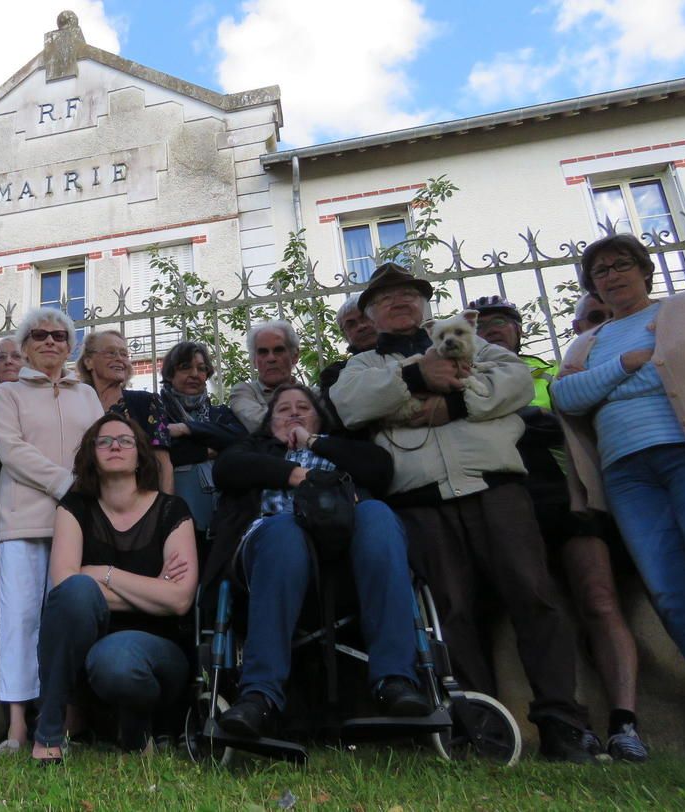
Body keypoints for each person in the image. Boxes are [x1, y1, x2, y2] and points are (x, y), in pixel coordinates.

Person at [330, 262, 600, 762]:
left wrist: (452, 405)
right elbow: (351, 406)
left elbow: (515, 383)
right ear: (369, 314)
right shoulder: (363, 366)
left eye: (409, 294)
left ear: (425, 304)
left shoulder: (478, 345)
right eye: (386, 298)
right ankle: (481, 725)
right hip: (420, 497)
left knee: (534, 597)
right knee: (450, 613)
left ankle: (563, 721)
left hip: (494, 485)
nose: (400, 301)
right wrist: (417, 375)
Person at [468, 293, 646, 761]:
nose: (492, 329)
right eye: (483, 324)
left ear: (519, 330)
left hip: (564, 493)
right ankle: (569, 721)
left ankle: (626, 724)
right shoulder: (468, 375)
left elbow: (576, 419)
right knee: (534, 602)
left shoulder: (547, 371)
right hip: (503, 498)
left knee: (599, 599)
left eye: (503, 322)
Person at [209, 385, 430, 738]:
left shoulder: (338, 447)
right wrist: (293, 474)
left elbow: (380, 469)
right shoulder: (256, 449)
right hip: (274, 559)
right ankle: (258, 695)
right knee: (283, 528)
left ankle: (395, 680)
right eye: (283, 409)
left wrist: (313, 442)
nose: (293, 413)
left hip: (351, 562)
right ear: (269, 421)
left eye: (303, 407)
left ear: (318, 417)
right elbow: (227, 469)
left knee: (375, 512)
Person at [554, 233, 685, 700]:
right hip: (626, 476)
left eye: (622, 264)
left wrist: (604, 386)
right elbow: (567, 396)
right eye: (601, 272)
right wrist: (626, 364)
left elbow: (676, 367)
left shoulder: (679, 311)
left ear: (645, 270)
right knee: (669, 592)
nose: (613, 276)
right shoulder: (588, 343)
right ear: (592, 287)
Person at [32, 414, 197, 763]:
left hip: (161, 653)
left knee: (116, 657)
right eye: (104, 441)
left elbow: (180, 599)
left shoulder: (171, 510)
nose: (115, 446)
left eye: (125, 440)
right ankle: (48, 731)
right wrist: (153, 591)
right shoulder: (75, 507)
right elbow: (66, 587)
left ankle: (137, 730)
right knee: (76, 594)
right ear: (92, 455)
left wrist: (104, 573)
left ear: (140, 453)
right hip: (89, 651)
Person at [0, 307, 104, 753]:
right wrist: (66, 484)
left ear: (71, 345)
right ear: (25, 345)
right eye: (40, 335)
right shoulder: (8, 394)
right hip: (23, 520)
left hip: (78, 521)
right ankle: (17, 725)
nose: (51, 342)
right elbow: (10, 449)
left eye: (60, 335)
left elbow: (99, 446)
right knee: (18, 618)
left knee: (67, 620)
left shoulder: (87, 395)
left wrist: (84, 493)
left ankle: (62, 719)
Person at [158, 341, 246, 542]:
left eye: (201, 368)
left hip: (222, 524)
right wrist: (207, 450)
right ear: (170, 374)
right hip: (175, 525)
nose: (194, 374)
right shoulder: (157, 415)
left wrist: (186, 429)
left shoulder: (220, 415)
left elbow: (239, 439)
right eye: (185, 367)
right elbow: (158, 452)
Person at [77, 330, 174, 493]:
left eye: (124, 354)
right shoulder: (75, 405)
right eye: (111, 352)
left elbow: (162, 464)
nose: (119, 358)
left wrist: (166, 510)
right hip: (87, 500)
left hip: (139, 502)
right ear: (88, 362)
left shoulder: (147, 403)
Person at [317, 298, 380, 436]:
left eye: (366, 318)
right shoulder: (334, 374)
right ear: (345, 335)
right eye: (351, 324)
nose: (361, 326)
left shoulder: (405, 353)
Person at [230, 320, 299, 433]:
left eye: (278, 350)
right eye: (263, 352)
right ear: (254, 360)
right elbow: (258, 423)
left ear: (295, 356)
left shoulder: (313, 394)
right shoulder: (244, 392)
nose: (271, 358)